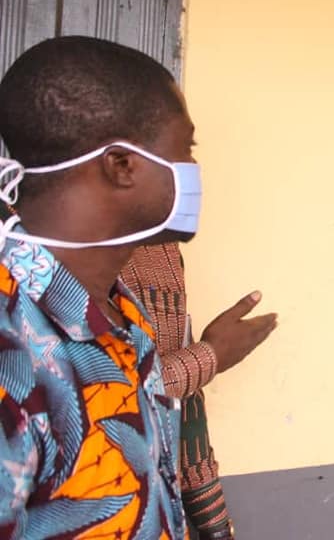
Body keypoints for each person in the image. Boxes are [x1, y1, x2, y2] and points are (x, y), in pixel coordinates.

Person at [0, 36, 214, 538]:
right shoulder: (10, 346)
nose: (194, 169)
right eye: (186, 148)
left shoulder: (121, 313)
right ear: (122, 165)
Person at [121, 243, 277, 539]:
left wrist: (218, 530)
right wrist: (208, 357)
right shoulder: (26, 256)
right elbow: (91, 395)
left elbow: (185, 404)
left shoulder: (161, 246)